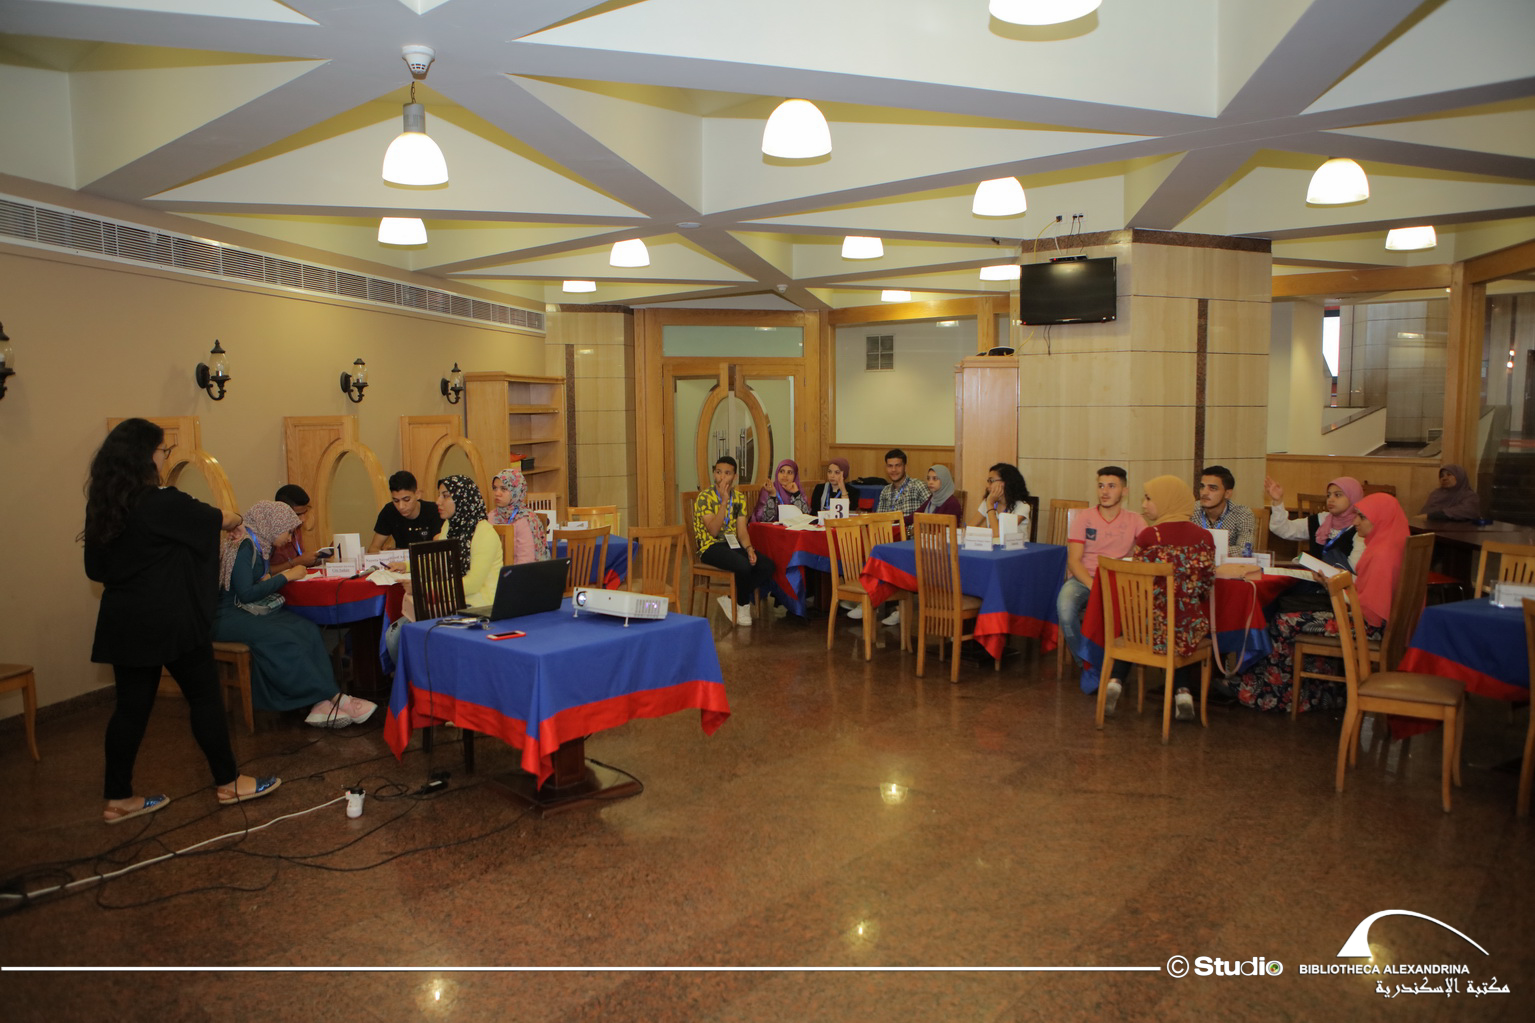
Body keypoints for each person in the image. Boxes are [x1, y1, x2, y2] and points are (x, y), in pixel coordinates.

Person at [84, 419, 280, 824]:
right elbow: (222, 517)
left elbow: (95, 569)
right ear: (147, 456)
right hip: (170, 620)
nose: (164, 458)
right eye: (163, 451)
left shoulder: (105, 505)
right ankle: (229, 782)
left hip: (123, 620)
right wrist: (233, 518)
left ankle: (118, 798)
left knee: (130, 710)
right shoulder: (161, 502)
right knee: (204, 697)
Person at [1229, 492, 1409, 714]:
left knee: (1284, 620)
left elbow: (1367, 608)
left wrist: (1332, 585)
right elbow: (1368, 593)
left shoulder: (1381, 554)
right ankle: (1317, 692)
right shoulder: (1390, 544)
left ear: (1380, 519)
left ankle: (1276, 696)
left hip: (1370, 627)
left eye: (1361, 517)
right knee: (1298, 614)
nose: (1355, 522)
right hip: (1380, 622)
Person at [215, 501, 376, 728]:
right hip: (228, 616)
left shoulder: (260, 545)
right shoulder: (245, 547)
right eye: (288, 531)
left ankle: (321, 701)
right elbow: (246, 594)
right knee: (286, 637)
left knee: (306, 628)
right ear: (272, 525)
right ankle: (332, 698)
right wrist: (287, 576)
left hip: (245, 611)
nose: (291, 538)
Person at [1101, 475, 1216, 722]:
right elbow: (1205, 586)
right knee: (1181, 621)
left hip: (1144, 630)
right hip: (1186, 630)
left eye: (1149, 498)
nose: (1143, 504)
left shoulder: (1149, 536)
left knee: (1139, 624)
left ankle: (1115, 681)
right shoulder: (1205, 537)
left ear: (1167, 501)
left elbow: (1138, 587)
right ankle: (1183, 693)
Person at [1057, 466, 1148, 669]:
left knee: (1141, 613)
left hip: (1120, 582)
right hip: (1084, 579)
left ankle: (1119, 664)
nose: (1104, 491)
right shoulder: (1084, 518)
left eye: (1111, 486)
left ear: (1124, 491)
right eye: (1100, 486)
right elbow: (1074, 561)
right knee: (1065, 609)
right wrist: (1094, 586)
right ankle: (1087, 664)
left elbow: (1149, 554)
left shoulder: (1135, 520)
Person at [692, 455, 775, 626]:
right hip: (710, 546)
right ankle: (743, 605)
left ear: (735, 476)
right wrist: (723, 503)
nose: (722, 477)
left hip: (731, 544)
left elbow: (742, 531)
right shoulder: (705, 497)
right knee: (743, 565)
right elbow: (713, 531)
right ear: (714, 473)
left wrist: (749, 549)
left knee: (766, 565)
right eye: (718, 472)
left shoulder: (738, 499)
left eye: (727, 473)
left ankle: (732, 598)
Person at [1263, 475, 1364, 611]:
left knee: (1281, 601)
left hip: (1339, 591)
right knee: (1271, 595)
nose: (1331, 499)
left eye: (1338, 495)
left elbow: (1354, 569)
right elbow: (1284, 529)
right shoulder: (1321, 520)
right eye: (1328, 495)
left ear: (1353, 497)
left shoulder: (1360, 528)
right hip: (1312, 583)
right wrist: (1277, 502)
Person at [436, 474, 503, 609]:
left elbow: (473, 584)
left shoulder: (484, 533)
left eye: (446, 496)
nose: (438, 501)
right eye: (439, 496)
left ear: (462, 499)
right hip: (454, 600)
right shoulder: (449, 525)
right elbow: (437, 560)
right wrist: (406, 566)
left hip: (482, 606)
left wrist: (429, 589)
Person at [368, 470, 443, 553]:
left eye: (406, 499)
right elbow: (373, 548)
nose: (401, 506)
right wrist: (384, 554)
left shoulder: (434, 511)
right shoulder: (389, 511)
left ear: (417, 494)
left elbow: (441, 549)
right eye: (396, 500)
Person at [489, 466, 551, 564]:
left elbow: (526, 560)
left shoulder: (525, 519)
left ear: (516, 491)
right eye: (495, 488)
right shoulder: (491, 516)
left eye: (503, 489)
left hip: (520, 571)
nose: (497, 493)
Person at [1192, 465, 1255, 557]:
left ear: (1227, 494)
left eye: (1212, 488)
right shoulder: (1190, 510)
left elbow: (1244, 550)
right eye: (1202, 487)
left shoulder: (1242, 514)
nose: (1204, 493)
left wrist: (1206, 550)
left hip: (1227, 565)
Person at [268, 484, 319, 573]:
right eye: (298, 514)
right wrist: (295, 563)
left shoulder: (297, 527)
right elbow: (262, 573)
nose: (303, 519)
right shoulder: (270, 532)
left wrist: (316, 559)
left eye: (305, 513)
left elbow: (301, 558)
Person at [974, 462, 1032, 538]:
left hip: (1016, 545)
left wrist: (990, 505)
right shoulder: (988, 502)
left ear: (1006, 482)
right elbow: (969, 527)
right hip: (994, 545)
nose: (987, 486)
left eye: (991, 481)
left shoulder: (1022, 507)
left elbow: (998, 535)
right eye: (988, 481)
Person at [874, 448, 925, 525]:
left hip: (911, 532)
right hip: (890, 531)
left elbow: (931, 512)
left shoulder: (918, 486)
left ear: (905, 467)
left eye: (898, 465)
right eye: (890, 466)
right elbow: (880, 519)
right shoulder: (885, 491)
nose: (893, 470)